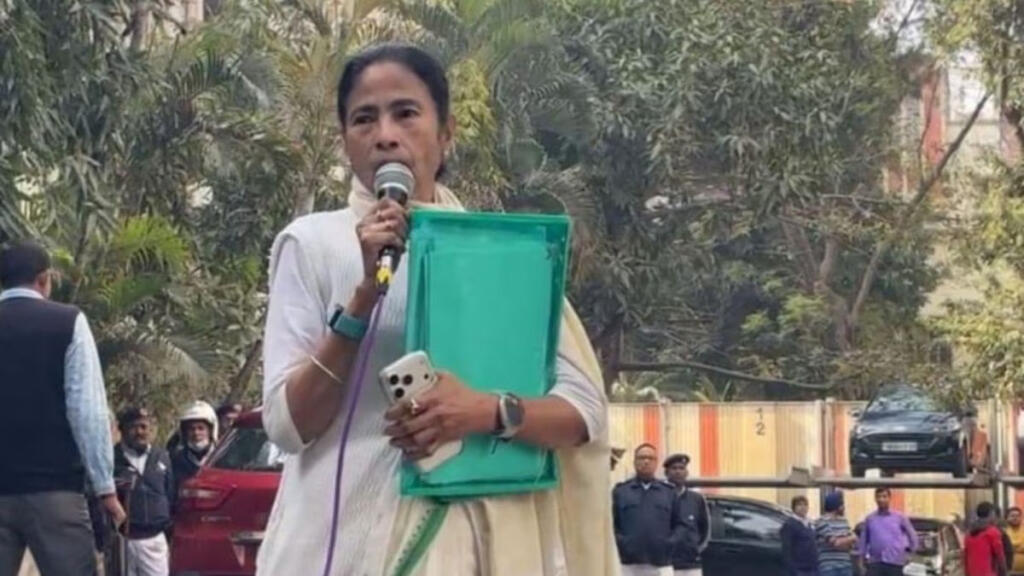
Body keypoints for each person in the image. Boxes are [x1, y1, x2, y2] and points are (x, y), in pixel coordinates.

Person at [256, 43, 616, 576]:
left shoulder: (497, 252)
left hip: (471, 549)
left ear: (446, 133)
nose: (385, 134)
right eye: (364, 119)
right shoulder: (311, 244)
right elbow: (287, 427)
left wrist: (483, 412)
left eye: (405, 113)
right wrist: (363, 296)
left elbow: (584, 412)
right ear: (345, 141)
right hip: (335, 550)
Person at [0, 240, 126, 575]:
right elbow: (87, 412)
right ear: (44, 279)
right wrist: (105, 488)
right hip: (54, 490)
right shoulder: (67, 322)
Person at [113, 407, 175, 576]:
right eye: (133, 427)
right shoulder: (112, 459)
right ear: (122, 429)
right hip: (123, 541)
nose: (140, 432)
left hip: (154, 540)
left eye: (143, 426)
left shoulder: (162, 456)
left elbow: (170, 493)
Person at [663, 453, 710, 576]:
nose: (678, 471)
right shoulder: (659, 497)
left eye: (681, 468)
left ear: (686, 472)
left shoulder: (697, 499)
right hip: (666, 565)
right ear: (666, 473)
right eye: (674, 468)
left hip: (691, 565)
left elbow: (705, 530)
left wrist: (695, 549)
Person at [858, 488, 919, 576]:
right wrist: (861, 559)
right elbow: (863, 541)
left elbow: (913, 536)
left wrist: (910, 554)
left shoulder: (900, 517)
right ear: (875, 499)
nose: (881, 499)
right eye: (878, 497)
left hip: (895, 562)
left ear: (889, 498)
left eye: (884, 496)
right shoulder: (870, 519)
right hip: (875, 562)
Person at [169, 400, 218, 492]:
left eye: (201, 428)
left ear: (210, 431)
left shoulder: (222, 459)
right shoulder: (175, 460)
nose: (196, 433)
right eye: (191, 429)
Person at [814, 491, 857, 576]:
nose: (844, 507)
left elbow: (851, 545)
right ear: (836, 505)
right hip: (828, 567)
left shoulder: (844, 521)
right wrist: (849, 538)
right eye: (841, 504)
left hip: (845, 565)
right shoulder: (821, 521)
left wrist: (841, 540)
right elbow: (835, 542)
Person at [965, 502, 1007, 576]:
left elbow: (966, 556)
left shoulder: (969, 533)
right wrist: (1004, 572)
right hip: (989, 573)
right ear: (991, 514)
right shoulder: (992, 531)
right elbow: (1000, 555)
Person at [781, 495, 820, 576]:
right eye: (799, 504)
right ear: (794, 507)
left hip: (812, 569)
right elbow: (786, 550)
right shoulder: (789, 524)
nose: (803, 507)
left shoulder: (809, 524)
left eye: (805, 505)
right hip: (799, 570)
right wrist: (793, 571)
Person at [1006, 507, 1024, 575]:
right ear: (1007, 518)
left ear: (1021, 518)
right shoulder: (1003, 533)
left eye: (1017, 516)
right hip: (1008, 573)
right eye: (1012, 516)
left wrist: (1011, 548)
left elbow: (1009, 548)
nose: (1015, 518)